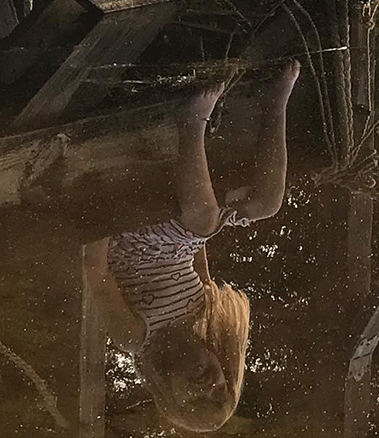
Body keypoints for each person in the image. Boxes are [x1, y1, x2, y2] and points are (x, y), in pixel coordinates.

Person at [88, 60, 299, 431]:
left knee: (201, 221)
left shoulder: (135, 337)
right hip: (180, 238)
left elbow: (96, 271)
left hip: (128, 238)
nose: (209, 387)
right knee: (266, 205)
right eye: (221, 391)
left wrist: (102, 212)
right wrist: (211, 215)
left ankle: (193, 121)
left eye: (197, 399)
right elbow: (198, 263)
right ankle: (276, 102)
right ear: (225, 371)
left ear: (168, 391)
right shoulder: (205, 321)